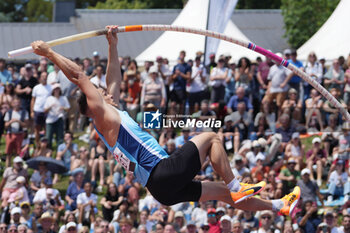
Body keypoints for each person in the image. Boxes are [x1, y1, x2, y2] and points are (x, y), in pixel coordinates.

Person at [31, 25, 299, 216]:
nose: (106, 92)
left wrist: (113, 45)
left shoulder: (108, 118)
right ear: (93, 104)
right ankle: (236, 185)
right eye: (100, 93)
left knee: (221, 194)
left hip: (162, 189)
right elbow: (79, 76)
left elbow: (114, 80)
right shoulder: (102, 115)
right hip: (162, 172)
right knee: (211, 137)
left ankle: (277, 206)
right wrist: (49, 52)